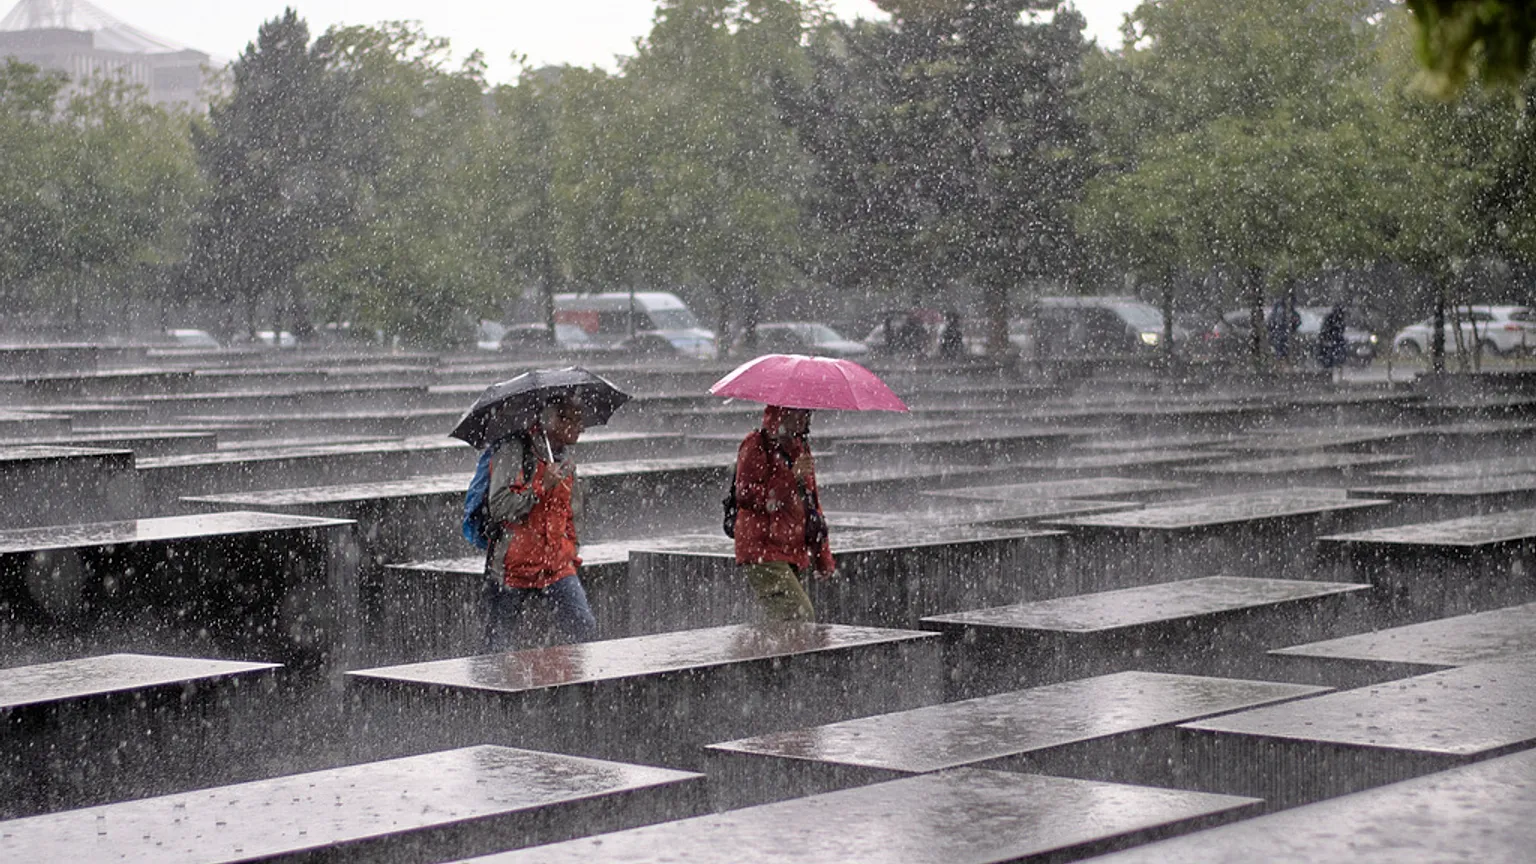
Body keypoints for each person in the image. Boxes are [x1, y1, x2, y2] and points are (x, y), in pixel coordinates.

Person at [481, 394, 596, 650]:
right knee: (498, 646)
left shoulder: (565, 460)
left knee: (584, 628)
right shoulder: (514, 452)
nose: (582, 428)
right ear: (555, 421)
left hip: (555, 564)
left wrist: (570, 548)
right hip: (514, 568)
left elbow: (572, 512)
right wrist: (541, 487)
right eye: (576, 421)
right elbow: (499, 507)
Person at [732, 405, 835, 622]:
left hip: (792, 549)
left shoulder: (800, 447)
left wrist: (822, 555)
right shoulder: (756, 444)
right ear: (782, 413)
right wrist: (791, 477)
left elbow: (812, 504)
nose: (804, 417)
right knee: (799, 617)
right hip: (763, 549)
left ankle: (762, 653)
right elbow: (746, 496)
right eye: (798, 411)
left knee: (785, 624)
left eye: (808, 412)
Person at [1317, 302, 1349, 375]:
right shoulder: (1336, 319)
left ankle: (1331, 372)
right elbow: (1330, 329)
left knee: (1332, 357)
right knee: (1333, 357)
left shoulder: (1336, 319)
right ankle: (1331, 372)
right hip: (1333, 340)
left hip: (1333, 340)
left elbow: (1326, 329)